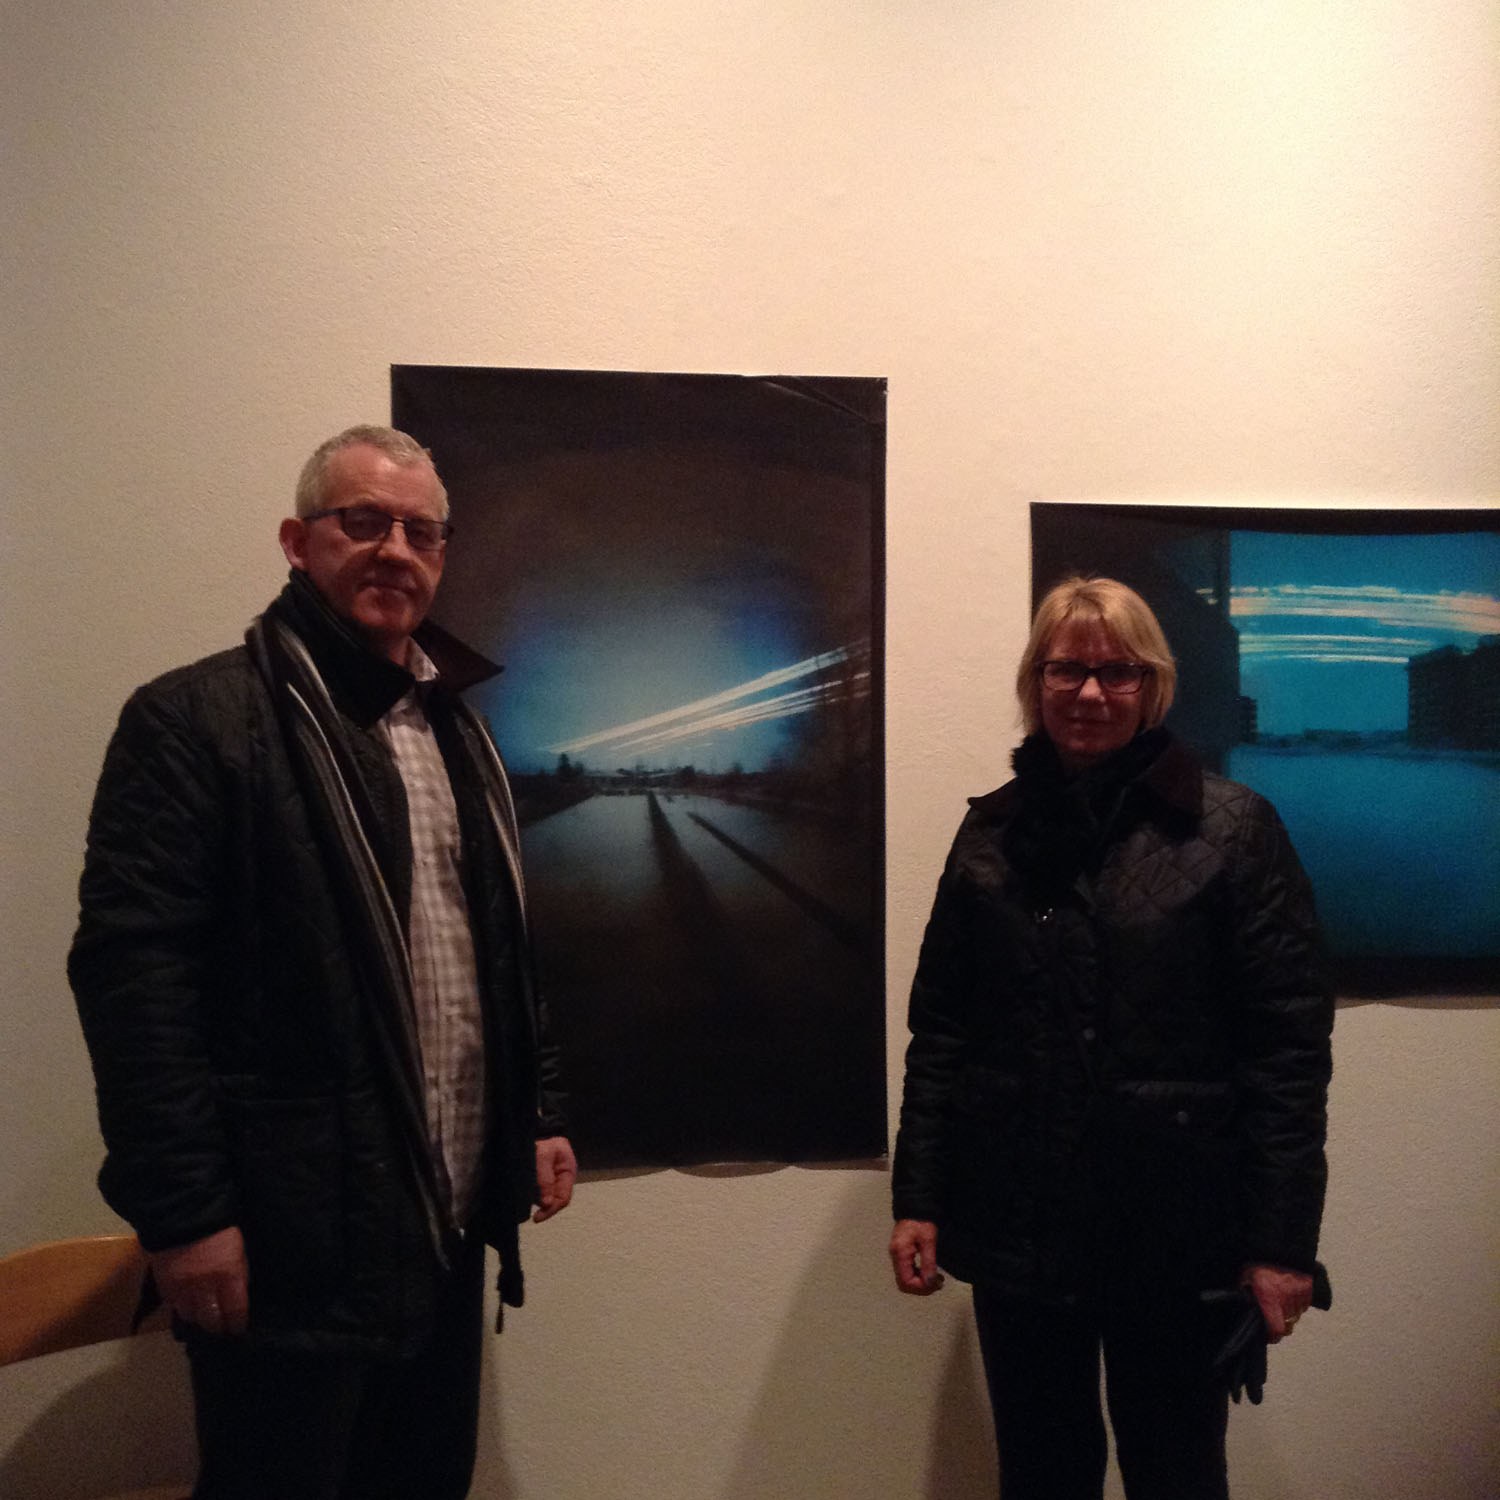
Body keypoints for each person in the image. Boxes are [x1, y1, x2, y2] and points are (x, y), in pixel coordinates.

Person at [69, 425, 576, 1500]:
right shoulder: (195, 721)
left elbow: (496, 952)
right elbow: (134, 987)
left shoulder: (456, 730)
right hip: (288, 1247)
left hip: (442, 1227)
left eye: (421, 531)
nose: (395, 549)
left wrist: (534, 1114)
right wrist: (186, 1215)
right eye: (364, 521)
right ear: (298, 542)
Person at [889, 575, 1333, 1500]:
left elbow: (1288, 1053)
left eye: (1116, 672)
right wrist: (919, 1198)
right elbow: (943, 1032)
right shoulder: (990, 833)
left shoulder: (1233, 830)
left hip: (1177, 1230)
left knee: (1177, 1474)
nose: (1089, 692)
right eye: (1067, 670)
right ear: (1036, 682)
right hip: (1021, 1228)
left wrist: (1282, 1243)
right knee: (1041, 1474)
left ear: (1151, 686)